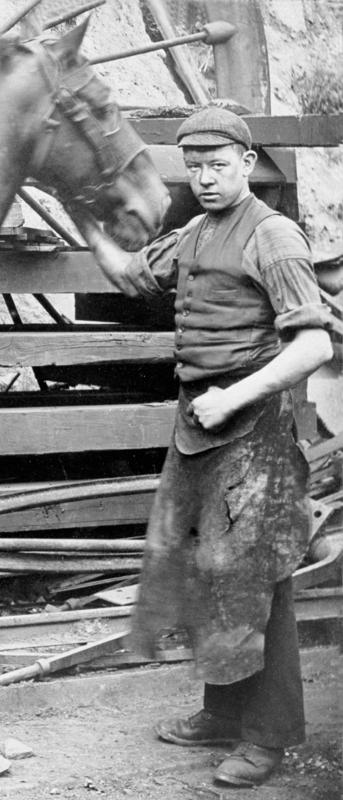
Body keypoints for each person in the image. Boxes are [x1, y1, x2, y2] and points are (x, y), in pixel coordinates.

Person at [84, 106, 335, 788]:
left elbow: (313, 343)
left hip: (249, 425)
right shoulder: (194, 229)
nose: (204, 178)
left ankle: (267, 736)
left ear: (246, 164)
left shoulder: (272, 236)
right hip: (196, 423)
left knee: (258, 578)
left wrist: (234, 395)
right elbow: (133, 273)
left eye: (217, 166)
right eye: (193, 167)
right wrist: (74, 210)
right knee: (207, 570)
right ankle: (221, 713)